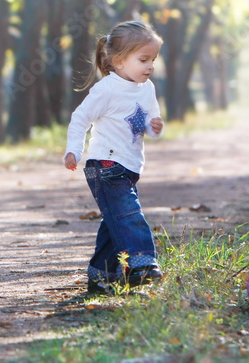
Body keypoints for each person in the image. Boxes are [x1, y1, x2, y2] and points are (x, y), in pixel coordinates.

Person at [64, 20, 165, 294]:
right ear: (119, 61)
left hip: (130, 166)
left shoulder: (147, 88)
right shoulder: (106, 89)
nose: (150, 66)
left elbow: (148, 122)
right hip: (105, 165)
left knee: (114, 220)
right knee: (128, 214)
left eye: (153, 59)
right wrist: (74, 150)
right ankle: (140, 264)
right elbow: (80, 118)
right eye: (143, 59)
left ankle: (101, 276)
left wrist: (155, 127)